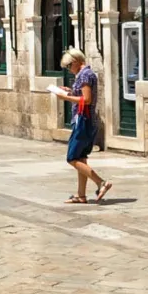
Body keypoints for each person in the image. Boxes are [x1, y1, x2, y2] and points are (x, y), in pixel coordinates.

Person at [49, 49, 111, 204]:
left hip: (83, 120)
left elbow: (87, 99)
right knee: (81, 158)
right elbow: (83, 95)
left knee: (72, 158)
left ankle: (101, 182)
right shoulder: (86, 74)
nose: (69, 69)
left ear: (76, 61)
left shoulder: (84, 75)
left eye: (69, 66)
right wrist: (70, 92)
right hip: (86, 120)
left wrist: (65, 98)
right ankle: (81, 195)